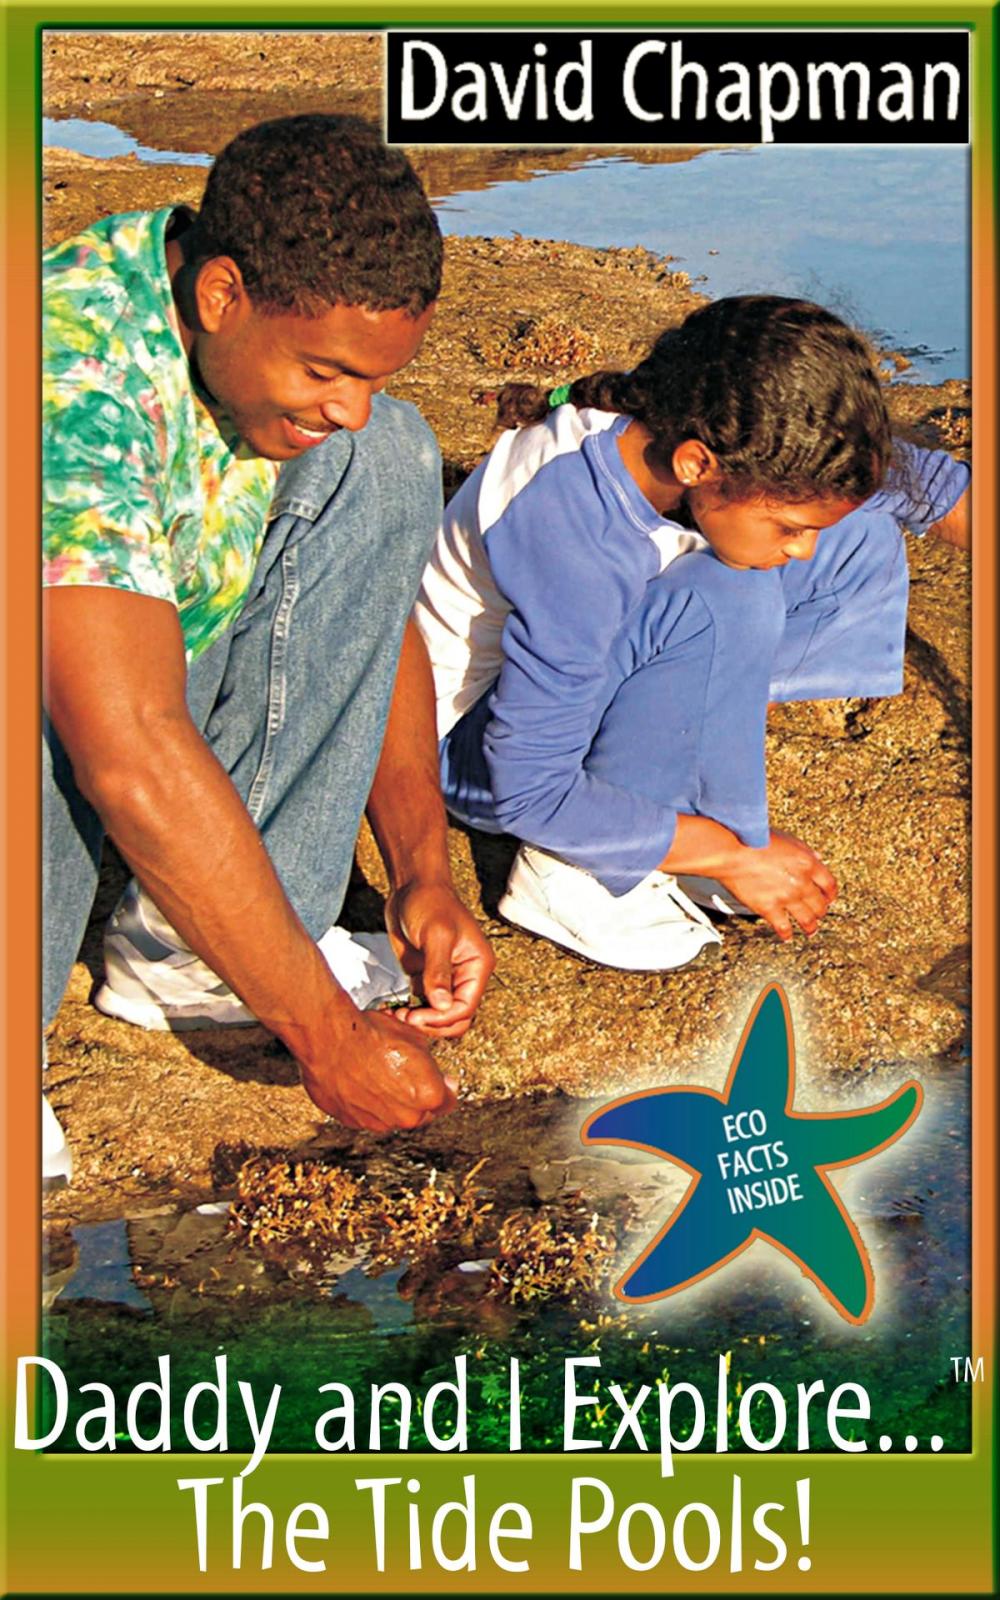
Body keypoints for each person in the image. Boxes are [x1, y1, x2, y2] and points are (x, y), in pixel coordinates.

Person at [42, 114, 494, 1151]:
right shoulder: (69, 386)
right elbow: (130, 755)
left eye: (371, 374)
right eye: (328, 371)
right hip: (64, 702)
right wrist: (328, 1036)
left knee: (386, 465)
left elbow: (380, 626)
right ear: (220, 295)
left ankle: (196, 954)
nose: (348, 406)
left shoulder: (246, 355)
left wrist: (423, 871)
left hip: (142, 664)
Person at [415, 295, 969, 970]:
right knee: (730, 595)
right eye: (789, 527)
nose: (800, 550)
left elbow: (928, 487)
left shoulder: (687, 420)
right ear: (697, 465)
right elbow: (526, 785)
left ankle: (675, 809)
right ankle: (579, 875)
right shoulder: (577, 532)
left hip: (564, 688)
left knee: (857, 534)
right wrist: (732, 852)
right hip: (473, 753)